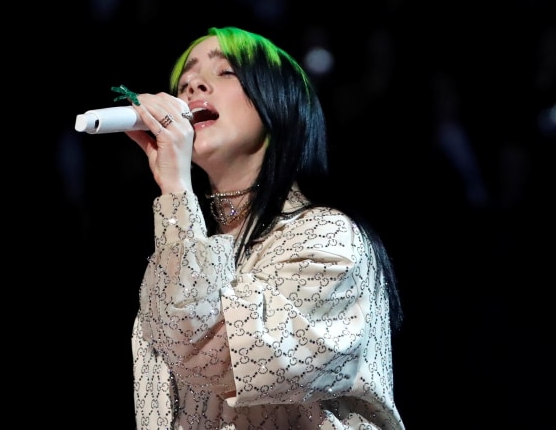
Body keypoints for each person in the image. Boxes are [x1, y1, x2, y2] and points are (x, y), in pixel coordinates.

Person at [123, 25, 406, 429]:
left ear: (278, 101)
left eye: (225, 72)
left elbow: (216, 352)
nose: (193, 86)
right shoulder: (185, 251)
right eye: (184, 83)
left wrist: (176, 189)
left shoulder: (327, 237)